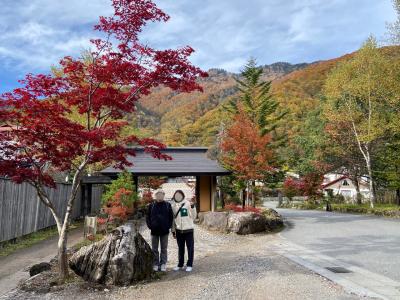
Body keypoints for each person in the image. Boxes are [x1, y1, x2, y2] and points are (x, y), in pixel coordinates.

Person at [146, 189, 173, 272]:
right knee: (154, 249)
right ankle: (156, 264)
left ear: (163, 195)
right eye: (158, 194)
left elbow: (171, 217)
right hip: (154, 231)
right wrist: (150, 226)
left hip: (164, 231)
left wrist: (168, 226)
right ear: (155, 196)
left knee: (164, 248)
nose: (159, 196)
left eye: (161, 194)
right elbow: (147, 217)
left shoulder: (168, 205)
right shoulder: (151, 205)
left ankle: (163, 263)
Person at [171, 190, 197, 272]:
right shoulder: (173, 205)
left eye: (179, 195)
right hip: (179, 231)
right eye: (176, 195)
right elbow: (173, 220)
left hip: (188, 230)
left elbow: (193, 217)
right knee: (180, 248)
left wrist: (193, 207)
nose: (178, 196)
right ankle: (180, 264)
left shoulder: (187, 203)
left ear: (182, 195)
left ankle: (189, 264)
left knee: (190, 248)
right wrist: (173, 231)